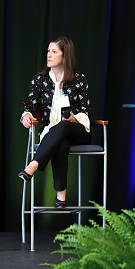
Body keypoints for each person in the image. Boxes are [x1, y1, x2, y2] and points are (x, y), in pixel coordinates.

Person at [18, 37, 91, 208]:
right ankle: (61, 195)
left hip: (78, 130)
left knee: (64, 126)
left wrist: (74, 118)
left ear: (65, 57)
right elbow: (30, 105)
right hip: (53, 134)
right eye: (48, 51)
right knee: (60, 142)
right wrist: (26, 116)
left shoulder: (79, 80)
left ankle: (33, 165)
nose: (49, 55)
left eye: (54, 51)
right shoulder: (40, 80)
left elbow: (86, 110)